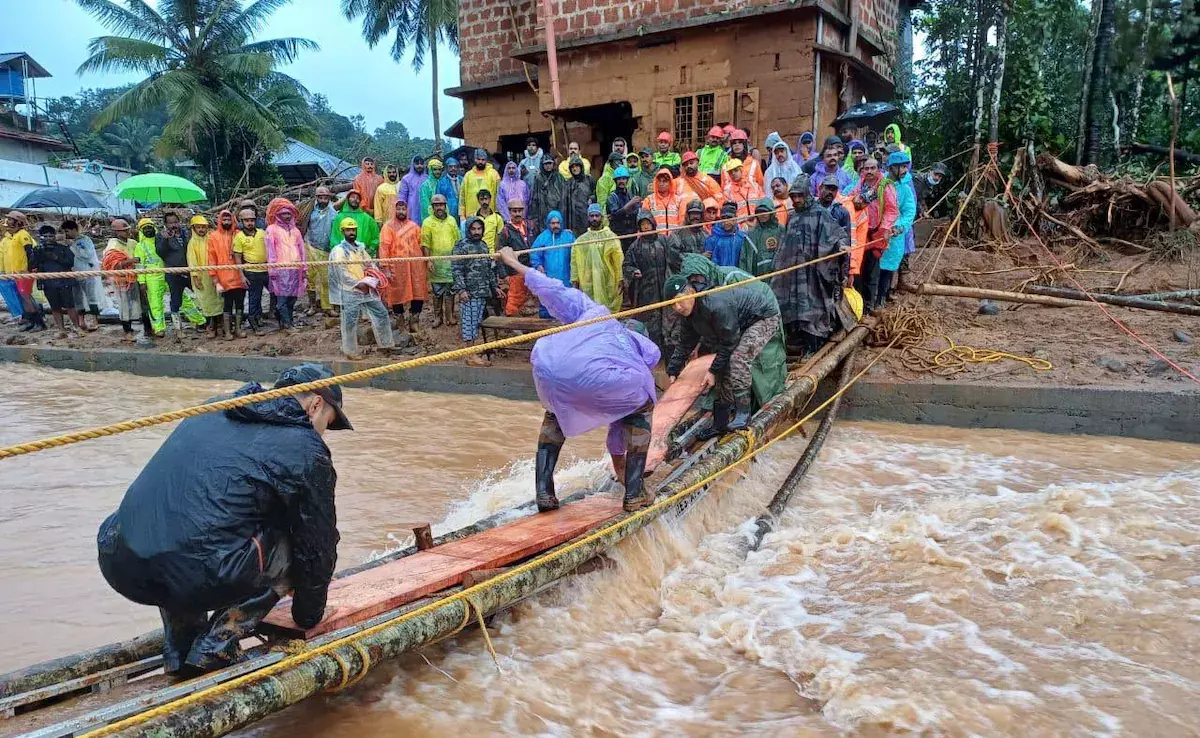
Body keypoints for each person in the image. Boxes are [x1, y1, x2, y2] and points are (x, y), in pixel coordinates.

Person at [97, 362, 349, 676]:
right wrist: (309, 615)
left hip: (120, 560)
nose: (325, 432)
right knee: (296, 536)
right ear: (316, 405)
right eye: (329, 422)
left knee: (181, 522)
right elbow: (318, 544)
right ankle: (218, 643)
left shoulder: (216, 407)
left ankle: (180, 647)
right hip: (193, 572)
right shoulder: (305, 449)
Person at [495, 246, 659, 513]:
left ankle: (544, 493)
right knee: (642, 406)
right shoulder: (640, 356)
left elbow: (552, 289)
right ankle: (635, 492)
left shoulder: (594, 312)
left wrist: (513, 261)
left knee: (555, 413)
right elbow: (618, 433)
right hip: (605, 379)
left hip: (548, 364)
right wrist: (622, 471)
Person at [664, 256, 784, 436]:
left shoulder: (714, 304)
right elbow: (685, 343)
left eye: (680, 300)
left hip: (763, 316)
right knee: (723, 368)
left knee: (737, 359)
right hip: (737, 323)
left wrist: (711, 371)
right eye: (673, 305)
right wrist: (673, 370)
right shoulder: (689, 315)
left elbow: (729, 343)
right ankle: (720, 423)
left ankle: (744, 414)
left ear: (690, 293)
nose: (678, 307)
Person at [771, 174, 849, 356]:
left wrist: (841, 246)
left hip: (813, 275)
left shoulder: (820, 213)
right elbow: (784, 244)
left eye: (800, 195)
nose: (796, 200)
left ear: (807, 194)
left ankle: (813, 345)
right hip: (794, 274)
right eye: (793, 196)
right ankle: (795, 342)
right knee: (793, 307)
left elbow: (836, 235)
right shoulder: (793, 217)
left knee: (811, 308)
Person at [330, 218, 396, 359]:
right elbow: (340, 271)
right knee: (350, 321)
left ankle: (386, 344)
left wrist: (374, 277)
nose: (351, 232)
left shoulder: (360, 248)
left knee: (381, 313)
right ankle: (350, 351)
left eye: (353, 229)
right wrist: (357, 283)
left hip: (367, 288)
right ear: (343, 232)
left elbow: (370, 264)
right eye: (348, 230)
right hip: (351, 290)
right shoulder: (339, 251)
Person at [623, 209, 680, 352]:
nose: (646, 227)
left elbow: (675, 258)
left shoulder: (664, 240)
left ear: (653, 223)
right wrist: (633, 272)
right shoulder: (635, 246)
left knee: (669, 318)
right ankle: (654, 349)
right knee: (651, 320)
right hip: (646, 291)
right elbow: (627, 265)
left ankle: (669, 349)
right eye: (643, 225)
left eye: (648, 223)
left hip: (665, 285)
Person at [452, 216, 502, 366]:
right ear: (468, 229)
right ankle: (470, 355)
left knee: (475, 324)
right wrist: (461, 290)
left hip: (482, 292)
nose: (476, 232)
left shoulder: (484, 246)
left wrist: (495, 287)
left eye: (479, 229)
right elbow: (456, 270)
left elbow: (489, 270)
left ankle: (472, 353)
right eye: (473, 229)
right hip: (469, 293)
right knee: (469, 323)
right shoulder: (461, 247)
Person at [378, 199, 427, 333]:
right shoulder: (387, 227)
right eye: (398, 209)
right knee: (396, 294)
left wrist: (425, 263)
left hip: (415, 267)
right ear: (394, 210)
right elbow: (384, 247)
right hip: (397, 268)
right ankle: (400, 322)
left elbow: (421, 244)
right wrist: (385, 267)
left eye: (403, 209)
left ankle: (414, 320)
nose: (401, 211)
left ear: (407, 210)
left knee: (418, 292)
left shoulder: (414, 226)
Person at [876, 150, 916, 309]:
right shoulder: (881, 184)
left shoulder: (904, 188)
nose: (905, 170)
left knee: (889, 267)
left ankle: (882, 297)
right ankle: (873, 298)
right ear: (892, 168)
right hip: (878, 231)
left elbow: (909, 210)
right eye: (902, 167)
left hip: (894, 234)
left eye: (906, 167)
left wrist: (901, 227)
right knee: (874, 267)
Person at [571, 203, 623, 313]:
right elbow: (575, 262)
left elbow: (619, 261)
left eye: (597, 216)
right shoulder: (581, 241)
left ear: (601, 217)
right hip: (589, 283)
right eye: (592, 216)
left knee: (607, 312)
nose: (594, 218)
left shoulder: (611, 238)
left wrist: (620, 278)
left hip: (608, 282)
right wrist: (575, 280)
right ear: (588, 218)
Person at [265, 198, 307, 333]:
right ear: (278, 215)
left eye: (289, 213)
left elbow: (302, 250)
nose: (287, 216)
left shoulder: (296, 231)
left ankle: (288, 323)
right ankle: (287, 324)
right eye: (284, 214)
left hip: (295, 270)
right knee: (281, 300)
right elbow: (270, 250)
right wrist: (272, 270)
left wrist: (304, 268)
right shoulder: (271, 230)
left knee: (292, 299)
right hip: (280, 270)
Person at [103, 218, 148, 341]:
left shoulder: (133, 243)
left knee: (142, 302)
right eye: (124, 230)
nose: (128, 231)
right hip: (122, 279)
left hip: (137, 277)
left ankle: (147, 328)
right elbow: (111, 265)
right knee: (124, 304)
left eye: (127, 229)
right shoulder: (112, 246)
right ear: (117, 232)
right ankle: (127, 330)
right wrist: (131, 261)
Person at [420, 193, 462, 327]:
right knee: (437, 292)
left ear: (445, 206)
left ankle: (450, 316)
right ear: (432, 207)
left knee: (450, 291)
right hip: (436, 264)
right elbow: (425, 243)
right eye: (436, 205)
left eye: (441, 205)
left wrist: (458, 259)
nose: (439, 208)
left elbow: (458, 240)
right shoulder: (427, 222)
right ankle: (438, 317)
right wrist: (429, 260)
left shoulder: (452, 221)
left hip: (450, 263)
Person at [32, 223, 80, 337]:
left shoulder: (63, 248)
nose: (48, 239)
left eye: (50, 236)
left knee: (70, 306)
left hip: (64, 281)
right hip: (48, 283)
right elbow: (32, 266)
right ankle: (61, 329)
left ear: (54, 236)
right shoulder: (38, 250)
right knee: (55, 307)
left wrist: (56, 257)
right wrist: (36, 254)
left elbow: (70, 262)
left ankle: (77, 327)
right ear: (41, 237)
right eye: (45, 236)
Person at [207, 210, 248, 340]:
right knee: (227, 305)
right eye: (224, 220)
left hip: (239, 277)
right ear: (219, 221)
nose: (226, 222)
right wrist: (215, 280)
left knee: (240, 303)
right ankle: (227, 331)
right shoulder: (213, 236)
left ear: (233, 220)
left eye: (228, 220)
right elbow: (211, 259)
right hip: (224, 279)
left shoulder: (239, 234)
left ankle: (238, 329)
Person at [529, 210, 575, 318]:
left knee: (565, 302)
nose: (555, 225)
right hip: (548, 278)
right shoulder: (543, 237)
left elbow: (577, 253)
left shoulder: (568, 236)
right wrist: (538, 265)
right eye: (553, 223)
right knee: (547, 303)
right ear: (548, 223)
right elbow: (534, 254)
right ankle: (546, 327)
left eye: (557, 223)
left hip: (565, 277)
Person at [232, 207, 270, 335]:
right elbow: (237, 257)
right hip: (251, 270)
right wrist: (241, 275)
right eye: (246, 220)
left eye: (252, 220)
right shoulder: (239, 237)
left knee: (274, 293)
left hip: (266, 269)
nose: (250, 223)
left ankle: (261, 318)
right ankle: (254, 325)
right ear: (242, 222)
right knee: (254, 298)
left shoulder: (262, 232)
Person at [186, 215, 222, 338]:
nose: (201, 230)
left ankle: (220, 325)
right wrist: (195, 278)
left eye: (203, 227)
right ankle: (210, 326)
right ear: (194, 228)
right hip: (201, 276)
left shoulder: (211, 238)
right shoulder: (192, 243)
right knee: (206, 302)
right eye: (199, 227)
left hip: (214, 274)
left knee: (218, 299)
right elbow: (192, 261)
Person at [63, 219, 103, 331]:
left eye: (68, 231)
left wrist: (73, 247)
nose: (67, 234)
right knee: (77, 298)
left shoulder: (85, 240)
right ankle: (81, 321)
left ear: (74, 230)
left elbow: (86, 255)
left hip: (87, 272)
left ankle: (95, 319)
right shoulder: (68, 242)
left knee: (91, 296)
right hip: (74, 273)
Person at [5, 211, 42, 331]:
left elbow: (30, 253)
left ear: (18, 221)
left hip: (24, 271)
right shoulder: (15, 235)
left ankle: (39, 323)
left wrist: (29, 270)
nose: (8, 221)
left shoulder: (23, 234)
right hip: (17, 271)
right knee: (24, 297)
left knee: (26, 297)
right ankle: (31, 321)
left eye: (10, 219)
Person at [498, 199, 536, 316]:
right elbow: (499, 254)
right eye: (514, 211)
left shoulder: (530, 227)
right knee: (514, 301)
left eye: (520, 210)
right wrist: (505, 275)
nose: (517, 214)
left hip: (530, 269)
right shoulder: (505, 231)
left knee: (528, 299)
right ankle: (514, 328)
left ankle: (525, 326)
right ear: (509, 212)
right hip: (515, 271)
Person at [305, 186, 337, 316]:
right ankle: (312, 305)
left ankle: (328, 307)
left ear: (329, 198)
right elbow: (302, 225)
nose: (323, 199)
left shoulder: (334, 212)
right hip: (311, 247)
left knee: (326, 280)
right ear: (317, 197)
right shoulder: (309, 211)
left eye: (326, 197)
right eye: (321, 197)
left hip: (326, 250)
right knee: (310, 278)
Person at [134, 218, 168, 337]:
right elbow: (139, 266)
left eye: (150, 227)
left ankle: (199, 321)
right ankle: (159, 328)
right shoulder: (140, 246)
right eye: (145, 228)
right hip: (152, 277)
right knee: (155, 304)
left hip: (168, 272)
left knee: (183, 299)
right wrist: (142, 282)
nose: (148, 230)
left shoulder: (161, 239)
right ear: (141, 230)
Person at [706, 201, 754, 270]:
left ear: (735, 218)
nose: (726, 221)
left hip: (740, 277)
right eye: (723, 218)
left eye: (729, 218)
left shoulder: (742, 238)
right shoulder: (712, 240)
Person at [331, 189, 380, 257]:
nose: (355, 199)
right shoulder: (339, 218)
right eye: (353, 197)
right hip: (343, 256)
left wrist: (370, 249)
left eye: (357, 198)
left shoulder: (368, 219)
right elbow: (334, 238)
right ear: (348, 199)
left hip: (363, 256)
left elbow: (376, 237)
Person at [528, 155, 564, 239]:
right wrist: (534, 218)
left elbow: (563, 196)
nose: (548, 166)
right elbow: (534, 198)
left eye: (550, 163)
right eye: (546, 164)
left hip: (556, 211)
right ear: (542, 165)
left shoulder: (559, 177)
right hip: (542, 214)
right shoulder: (538, 178)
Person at [460, 148, 501, 221]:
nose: (480, 162)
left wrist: (497, 212)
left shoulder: (494, 174)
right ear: (474, 159)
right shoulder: (468, 175)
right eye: (478, 159)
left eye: (483, 160)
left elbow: (499, 195)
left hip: (489, 216)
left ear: (486, 160)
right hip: (471, 216)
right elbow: (462, 196)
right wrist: (461, 214)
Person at [746, 200, 784, 276]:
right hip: (760, 275)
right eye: (759, 212)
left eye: (764, 212)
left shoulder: (781, 230)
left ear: (771, 212)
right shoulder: (752, 234)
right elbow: (746, 261)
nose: (762, 215)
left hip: (780, 273)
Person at [561, 156, 595, 235]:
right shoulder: (568, 183)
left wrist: (592, 199)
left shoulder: (589, 180)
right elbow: (564, 204)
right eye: (572, 167)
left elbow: (595, 194)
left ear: (581, 166)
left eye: (577, 166)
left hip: (587, 217)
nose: (575, 168)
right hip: (573, 220)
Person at [419, 158, 459, 224]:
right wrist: (434, 219)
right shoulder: (425, 185)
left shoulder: (442, 181)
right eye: (435, 169)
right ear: (430, 170)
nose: (437, 172)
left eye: (439, 169)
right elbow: (425, 206)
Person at [0, 218, 25, 324]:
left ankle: (30, 315)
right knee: (9, 293)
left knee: (24, 295)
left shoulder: (21, 237)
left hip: (19, 272)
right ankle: (17, 315)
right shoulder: (4, 241)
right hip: (6, 272)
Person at [606, 166, 641, 238]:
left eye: (624, 179)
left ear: (627, 180)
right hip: (617, 233)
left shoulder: (631, 195)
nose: (621, 181)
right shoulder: (612, 197)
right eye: (619, 179)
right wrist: (630, 204)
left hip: (632, 232)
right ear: (615, 181)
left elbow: (637, 212)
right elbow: (615, 215)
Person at [644, 168, 683, 233]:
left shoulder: (678, 200)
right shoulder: (649, 200)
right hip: (656, 240)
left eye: (664, 181)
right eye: (659, 181)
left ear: (670, 183)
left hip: (674, 239)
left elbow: (682, 221)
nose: (661, 184)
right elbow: (644, 222)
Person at [398, 156, 428, 226]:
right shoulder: (406, 179)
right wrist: (402, 211)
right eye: (417, 164)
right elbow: (402, 197)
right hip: (411, 209)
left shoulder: (427, 178)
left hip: (426, 208)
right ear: (413, 165)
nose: (419, 166)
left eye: (421, 164)